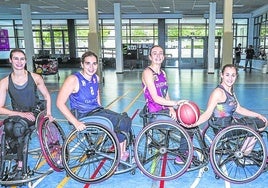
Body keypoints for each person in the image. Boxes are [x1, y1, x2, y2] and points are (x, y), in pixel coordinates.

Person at [56, 50, 132, 161]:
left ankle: (121, 150)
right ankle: (120, 156)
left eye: (94, 63)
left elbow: (96, 95)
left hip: (96, 111)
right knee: (121, 122)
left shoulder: (96, 78)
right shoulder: (73, 79)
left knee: (125, 118)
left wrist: (102, 108)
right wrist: (75, 122)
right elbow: (59, 103)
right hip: (83, 115)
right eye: (88, 63)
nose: (91, 67)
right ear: (82, 64)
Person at [0, 48, 53, 179]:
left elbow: (47, 96)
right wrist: (19, 114)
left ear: (25, 61)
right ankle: (14, 156)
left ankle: (20, 166)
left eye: (22, 59)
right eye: (16, 59)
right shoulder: (5, 82)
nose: (19, 62)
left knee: (18, 129)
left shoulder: (35, 77)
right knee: (8, 127)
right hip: (18, 114)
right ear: (10, 60)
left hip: (33, 112)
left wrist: (49, 113)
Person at [194, 64, 267, 158]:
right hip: (224, 128)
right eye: (227, 75)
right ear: (222, 75)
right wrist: (194, 124)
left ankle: (244, 149)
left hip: (230, 123)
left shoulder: (230, 91)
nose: (230, 78)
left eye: (233, 75)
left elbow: (239, 108)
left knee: (262, 121)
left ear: (236, 76)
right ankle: (243, 153)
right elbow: (208, 113)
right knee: (258, 126)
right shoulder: (218, 93)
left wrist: (258, 115)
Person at [141, 45, 187, 164]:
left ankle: (184, 151)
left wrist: (171, 108)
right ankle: (182, 156)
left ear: (164, 56)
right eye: (155, 53)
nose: (158, 55)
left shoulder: (163, 73)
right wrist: (175, 103)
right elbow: (156, 98)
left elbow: (165, 94)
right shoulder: (147, 72)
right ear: (150, 57)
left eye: (160, 53)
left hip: (164, 110)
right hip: (155, 113)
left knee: (188, 117)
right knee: (187, 124)